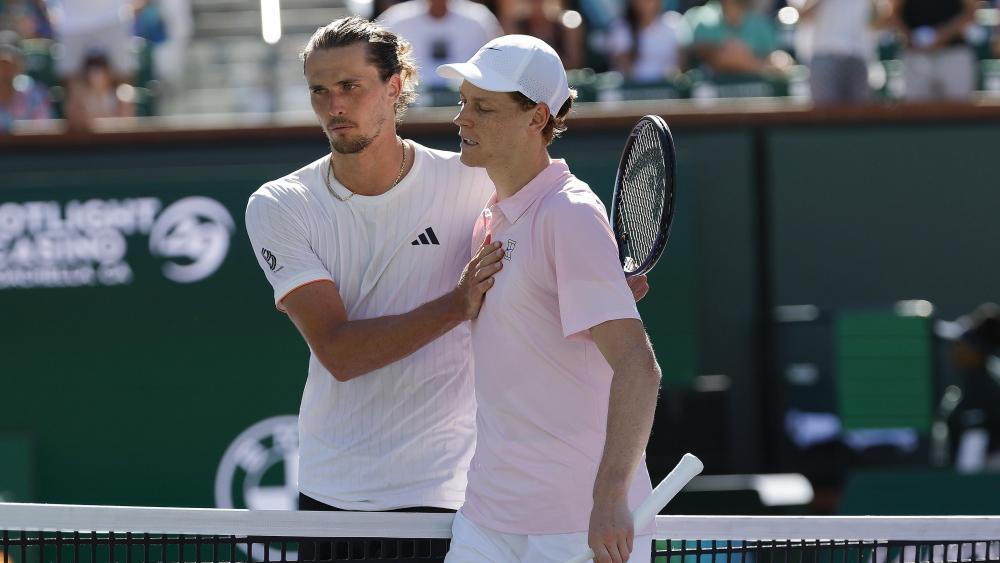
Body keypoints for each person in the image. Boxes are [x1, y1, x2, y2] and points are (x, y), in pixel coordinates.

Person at [245, 15, 651, 563]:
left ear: (394, 88)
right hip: (373, 498)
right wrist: (459, 303)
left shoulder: (500, 191)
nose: (334, 105)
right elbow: (339, 352)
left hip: (465, 499)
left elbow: (632, 357)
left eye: (350, 87)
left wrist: (609, 495)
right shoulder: (281, 205)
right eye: (319, 90)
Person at [436, 34, 660, 563]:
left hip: (576, 527)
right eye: (463, 102)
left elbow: (638, 366)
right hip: (488, 517)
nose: (461, 119)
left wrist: (608, 499)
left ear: (537, 119)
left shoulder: (569, 214)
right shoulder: (490, 219)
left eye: (483, 107)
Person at [378, 0, 502, 91]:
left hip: (467, 95)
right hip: (412, 99)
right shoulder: (396, 18)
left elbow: (498, 62)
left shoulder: (479, 18)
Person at [887, 0, 977, 102]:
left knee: (959, 106)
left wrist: (943, 35)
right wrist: (909, 37)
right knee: (916, 108)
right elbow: (891, 13)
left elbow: (971, 12)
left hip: (953, 53)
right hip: (915, 55)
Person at [683, 0, 792, 81]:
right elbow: (718, 60)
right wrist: (760, 68)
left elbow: (774, 56)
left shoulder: (760, 22)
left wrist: (780, 61)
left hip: (755, 98)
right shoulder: (701, 17)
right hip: (708, 98)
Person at [797, 0, 878, 105]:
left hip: (858, 55)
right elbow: (803, 16)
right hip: (825, 55)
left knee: (860, 114)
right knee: (824, 113)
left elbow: (877, 22)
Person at [607, 0, 686, 84]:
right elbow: (623, 65)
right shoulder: (621, 28)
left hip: (667, 87)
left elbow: (680, 64)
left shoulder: (673, 23)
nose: (646, 3)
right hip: (633, 88)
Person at [0, 41, 52, 133]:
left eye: (9, 66)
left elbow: (43, 126)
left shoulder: (34, 94)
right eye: (1, 66)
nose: (4, 71)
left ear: (18, 68)